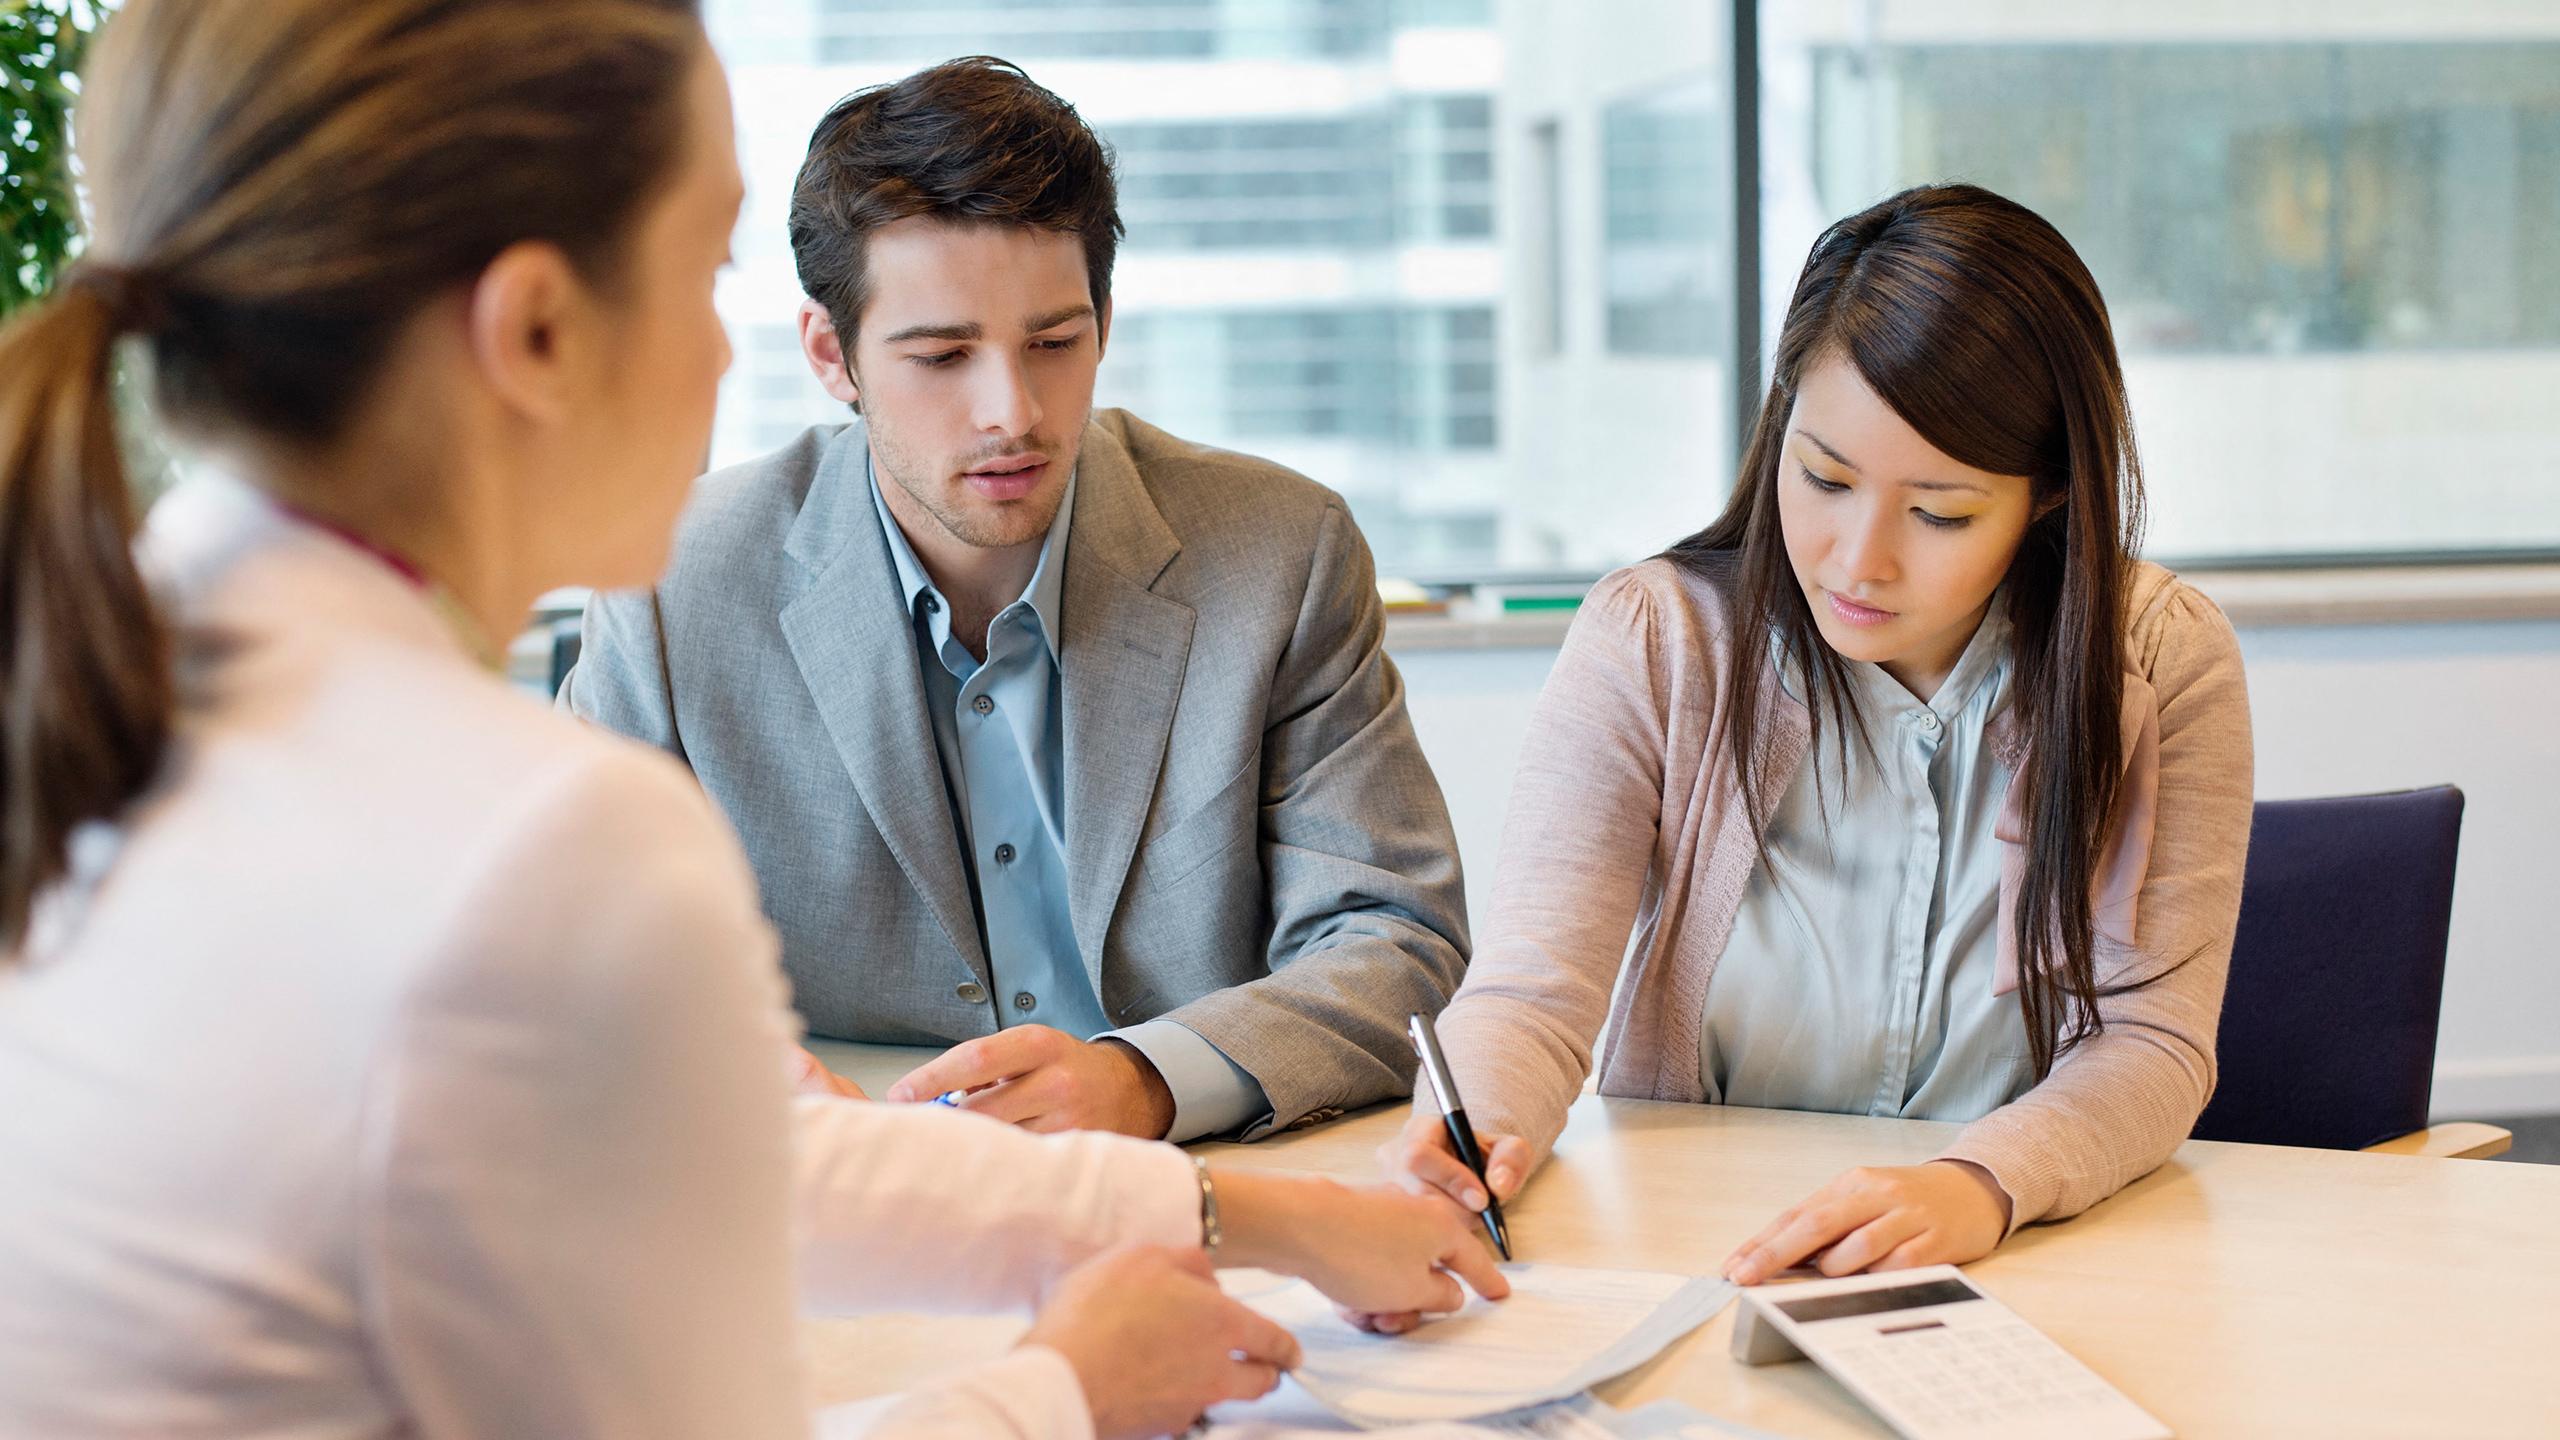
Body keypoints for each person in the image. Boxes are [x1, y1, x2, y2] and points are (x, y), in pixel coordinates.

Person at [0, 5, 1503, 1437]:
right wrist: (1065, 1388)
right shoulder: (539, 836)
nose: (728, 360)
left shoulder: (138, 678)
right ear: (534, 332)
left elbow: (712, 1166)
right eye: (699, 268)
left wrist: (1256, 1215)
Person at [562, 56, 1471, 1145]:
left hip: (1195, 1181)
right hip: (852, 1190)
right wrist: (766, 1085)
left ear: (1105, 322)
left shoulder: (1280, 552)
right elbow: (573, 948)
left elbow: (1391, 938)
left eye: (1054, 343)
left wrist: (1147, 1080)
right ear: (829, 354)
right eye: (941, 355)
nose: (1014, 413)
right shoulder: (674, 582)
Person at [1375, 184, 2254, 1288]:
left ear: (2050, 497)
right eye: (1824, 478)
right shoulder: (1655, 640)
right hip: (1699, 1242)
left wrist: (1979, 1184)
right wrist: (1463, 1145)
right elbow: (1531, 997)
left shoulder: (2159, 658)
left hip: (2016, 1247)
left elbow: (2152, 1043)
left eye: (1938, 511)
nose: (1856, 558)